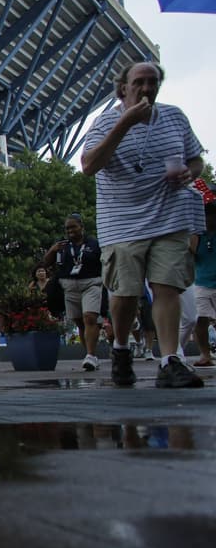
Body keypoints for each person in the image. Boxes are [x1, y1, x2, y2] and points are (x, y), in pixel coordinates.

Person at [81, 61, 205, 389]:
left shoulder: (174, 117)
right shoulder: (105, 121)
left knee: (167, 287)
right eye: (139, 82)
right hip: (122, 223)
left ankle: (170, 360)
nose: (146, 88)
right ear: (124, 87)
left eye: (153, 82)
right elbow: (89, 165)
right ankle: (121, 350)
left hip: (170, 217)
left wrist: (191, 172)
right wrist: (124, 122)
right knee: (125, 293)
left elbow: (197, 158)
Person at [42, 213, 103, 370]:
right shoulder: (62, 245)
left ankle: (90, 354)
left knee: (89, 317)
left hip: (91, 283)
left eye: (73, 227)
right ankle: (91, 355)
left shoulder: (94, 244)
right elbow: (45, 264)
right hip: (69, 286)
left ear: (81, 227)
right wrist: (52, 250)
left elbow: (104, 261)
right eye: (67, 228)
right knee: (80, 322)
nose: (70, 231)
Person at [193, 191, 216, 368]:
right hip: (201, 282)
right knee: (200, 319)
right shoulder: (197, 235)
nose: (209, 219)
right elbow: (190, 255)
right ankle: (205, 354)